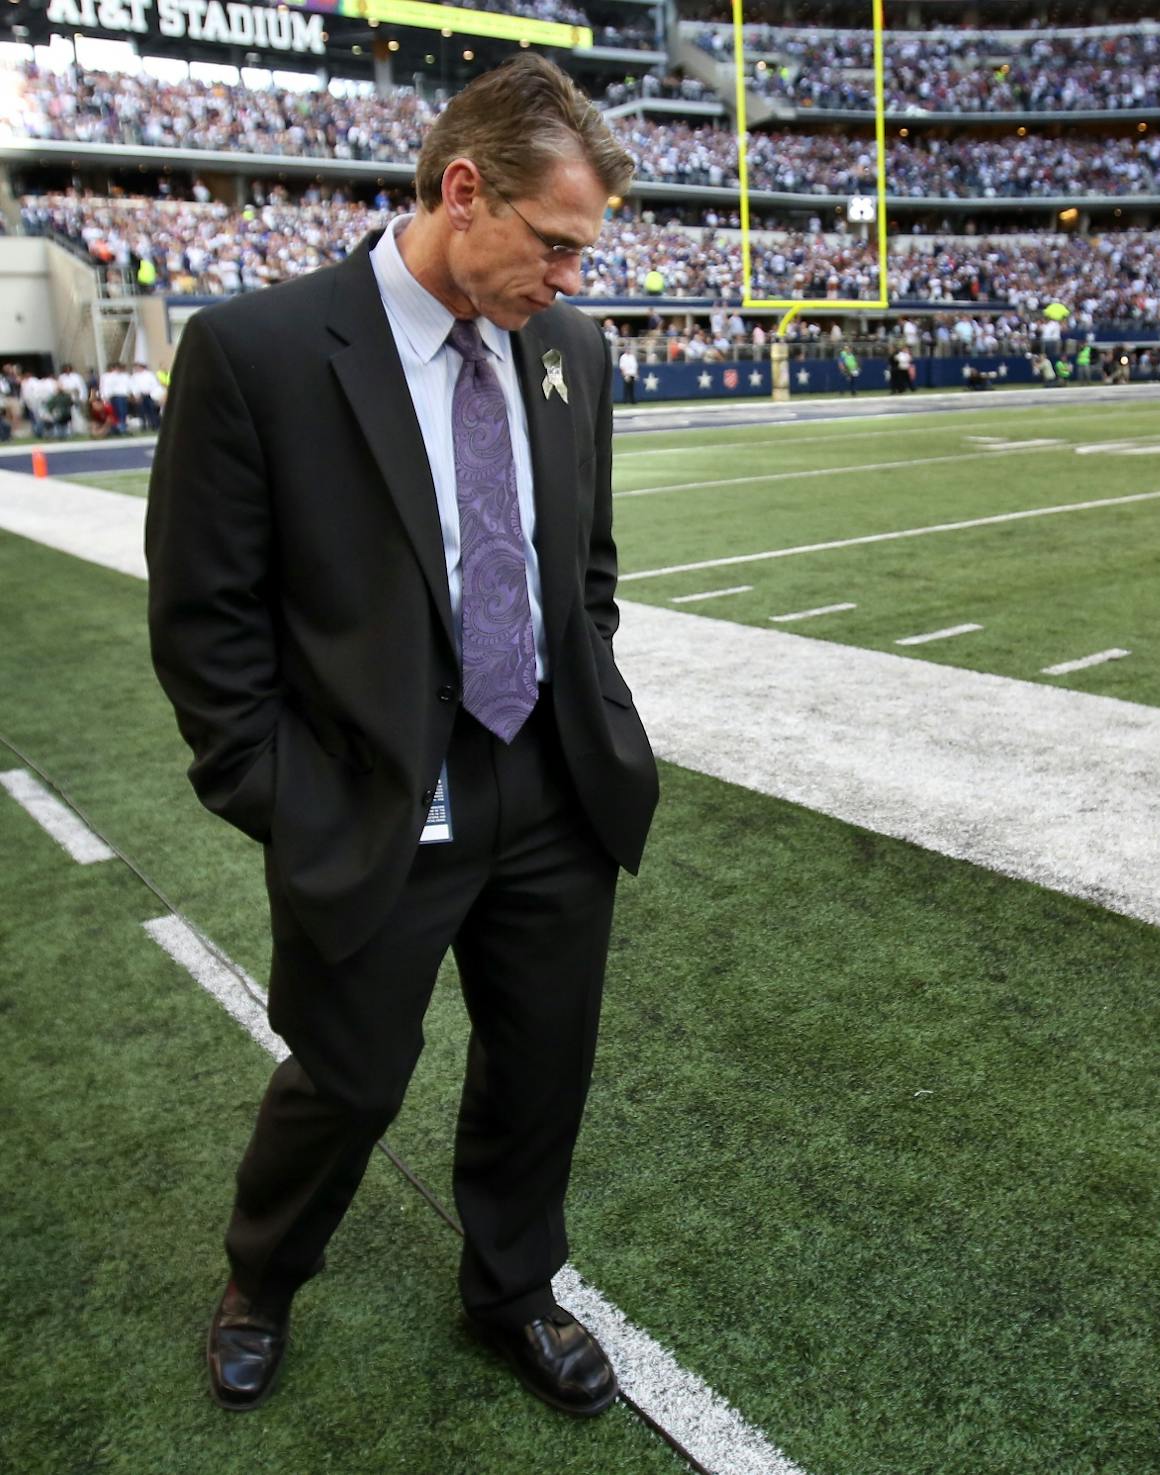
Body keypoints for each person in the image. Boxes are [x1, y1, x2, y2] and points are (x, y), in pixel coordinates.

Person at [145, 55, 659, 1420]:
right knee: (349, 1078)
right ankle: (263, 1275)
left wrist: (589, 706)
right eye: (553, 244)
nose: (568, 276)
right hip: (374, 798)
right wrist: (286, 795)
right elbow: (206, 627)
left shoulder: (573, 350)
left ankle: (512, 1288)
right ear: (463, 190)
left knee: (542, 1065)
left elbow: (582, 570)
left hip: (551, 782)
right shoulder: (257, 351)